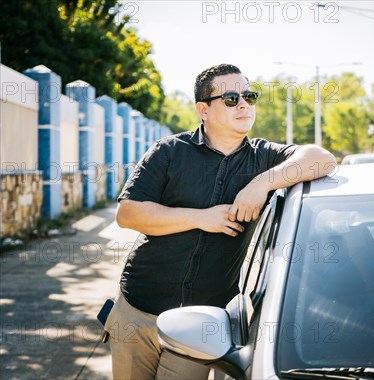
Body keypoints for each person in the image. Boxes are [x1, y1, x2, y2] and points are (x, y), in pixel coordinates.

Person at [106, 63, 337, 379]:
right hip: (136, 309)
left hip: (200, 323)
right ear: (204, 109)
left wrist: (262, 183)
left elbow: (322, 158)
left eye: (249, 95)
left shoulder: (264, 158)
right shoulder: (169, 151)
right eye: (231, 99)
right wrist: (203, 218)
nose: (244, 104)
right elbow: (128, 213)